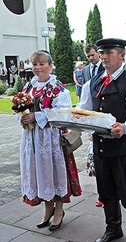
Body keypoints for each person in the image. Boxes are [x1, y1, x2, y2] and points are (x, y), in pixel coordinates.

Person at [78, 38, 126, 242]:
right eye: (102, 53)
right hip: (100, 148)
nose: (103, 57)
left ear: (121, 56)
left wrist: (125, 127)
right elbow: (84, 109)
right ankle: (113, 229)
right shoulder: (94, 82)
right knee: (106, 191)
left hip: (123, 150)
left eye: (109, 53)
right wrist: (72, 121)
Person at [19, 50, 82, 231]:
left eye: (42, 64)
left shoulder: (57, 88)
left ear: (50, 66)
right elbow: (20, 107)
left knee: (53, 173)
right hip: (32, 140)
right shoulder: (28, 87)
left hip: (51, 139)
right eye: (35, 64)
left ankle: (59, 210)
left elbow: (62, 113)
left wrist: (36, 116)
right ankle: (48, 209)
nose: (37, 68)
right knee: (41, 174)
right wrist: (22, 117)